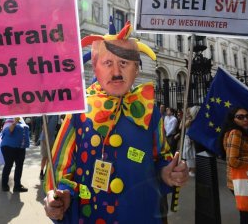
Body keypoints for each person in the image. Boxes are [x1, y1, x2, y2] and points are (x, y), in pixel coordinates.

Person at [43, 21, 188, 223]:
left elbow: (161, 157)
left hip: (141, 214)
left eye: (124, 63)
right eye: (108, 63)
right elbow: (60, 167)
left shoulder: (149, 111)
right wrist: (61, 194)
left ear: (136, 69)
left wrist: (167, 173)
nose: (117, 72)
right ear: (96, 67)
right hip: (91, 216)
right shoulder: (78, 110)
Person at [0, 117, 30, 192]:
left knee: (19, 166)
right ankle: (4, 185)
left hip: (20, 147)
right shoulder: (9, 120)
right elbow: (9, 131)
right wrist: (14, 122)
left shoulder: (22, 119)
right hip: (9, 148)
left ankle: (17, 186)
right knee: (8, 165)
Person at [181, 106, 200, 177]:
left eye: (188, 111)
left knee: (190, 154)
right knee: (188, 154)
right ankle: (190, 168)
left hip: (190, 138)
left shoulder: (191, 120)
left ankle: (193, 170)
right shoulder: (189, 119)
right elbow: (181, 126)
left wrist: (186, 119)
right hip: (188, 137)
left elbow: (183, 126)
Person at [39, 115, 59, 180]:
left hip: (52, 138)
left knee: (49, 157)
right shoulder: (49, 114)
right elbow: (44, 125)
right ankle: (41, 172)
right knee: (45, 157)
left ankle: (46, 172)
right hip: (45, 138)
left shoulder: (57, 115)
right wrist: (45, 138)